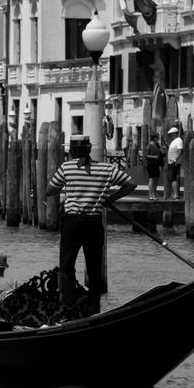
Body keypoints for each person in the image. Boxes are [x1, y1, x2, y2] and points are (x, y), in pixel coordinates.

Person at [46, 135, 136, 315]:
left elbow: (50, 190)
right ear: (89, 150)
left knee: (66, 266)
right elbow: (131, 184)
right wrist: (109, 198)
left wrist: (70, 188)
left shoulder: (67, 167)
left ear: (71, 151)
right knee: (94, 268)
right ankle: (94, 308)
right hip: (94, 223)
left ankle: (68, 308)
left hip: (72, 223)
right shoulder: (107, 168)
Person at [143, 133, 164, 201]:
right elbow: (146, 155)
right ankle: (150, 195)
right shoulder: (149, 145)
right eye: (158, 137)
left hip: (156, 164)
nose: (159, 138)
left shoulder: (157, 145)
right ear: (154, 137)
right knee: (151, 179)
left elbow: (161, 153)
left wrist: (163, 150)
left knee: (156, 179)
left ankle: (154, 194)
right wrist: (154, 157)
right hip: (151, 164)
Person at [165, 126, 184, 199]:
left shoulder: (179, 140)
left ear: (175, 133)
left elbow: (180, 151)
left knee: (173, 178)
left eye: (171, 134)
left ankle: (175, 194)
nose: (170, 135)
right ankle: (173, 194)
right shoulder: (174, 141)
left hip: (174, 163)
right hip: (171, 162)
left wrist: (175, 160)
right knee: (171, 178)